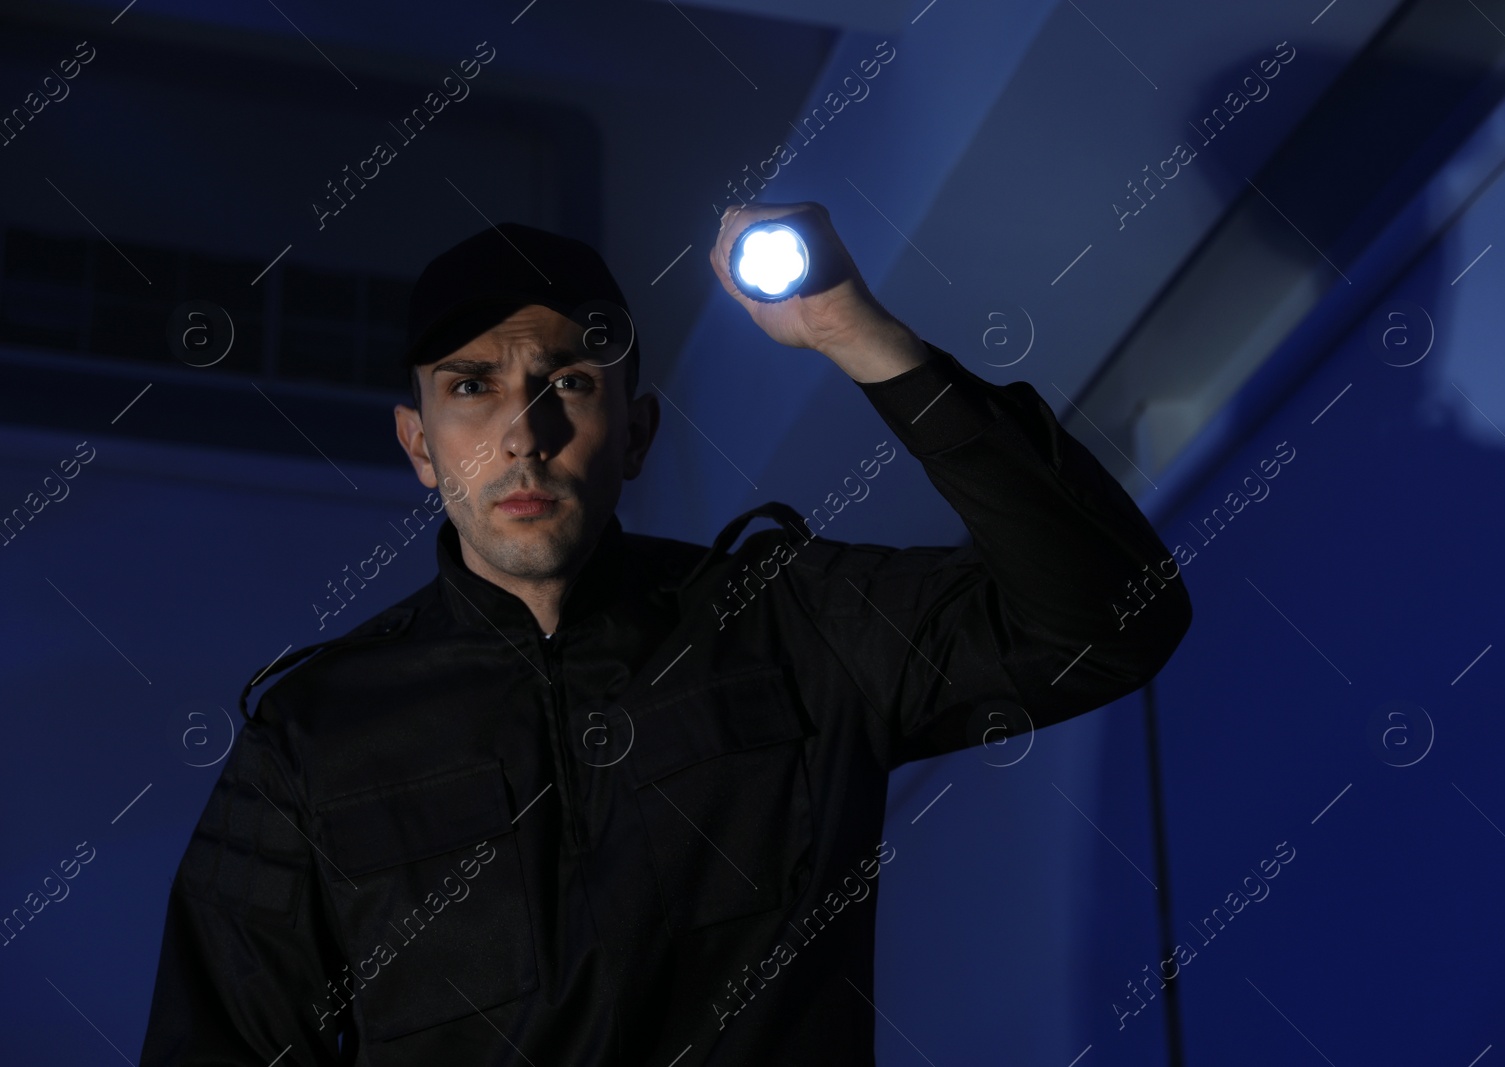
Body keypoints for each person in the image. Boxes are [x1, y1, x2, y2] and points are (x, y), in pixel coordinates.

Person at [138, 202, 1191, 1065]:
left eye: (570, 384)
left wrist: (856, 335)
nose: (524, 432)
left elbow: (1111, 620)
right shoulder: (314, 734)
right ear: (420, 445)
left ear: (634, 431)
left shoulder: (791, 624)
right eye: (471, 387)